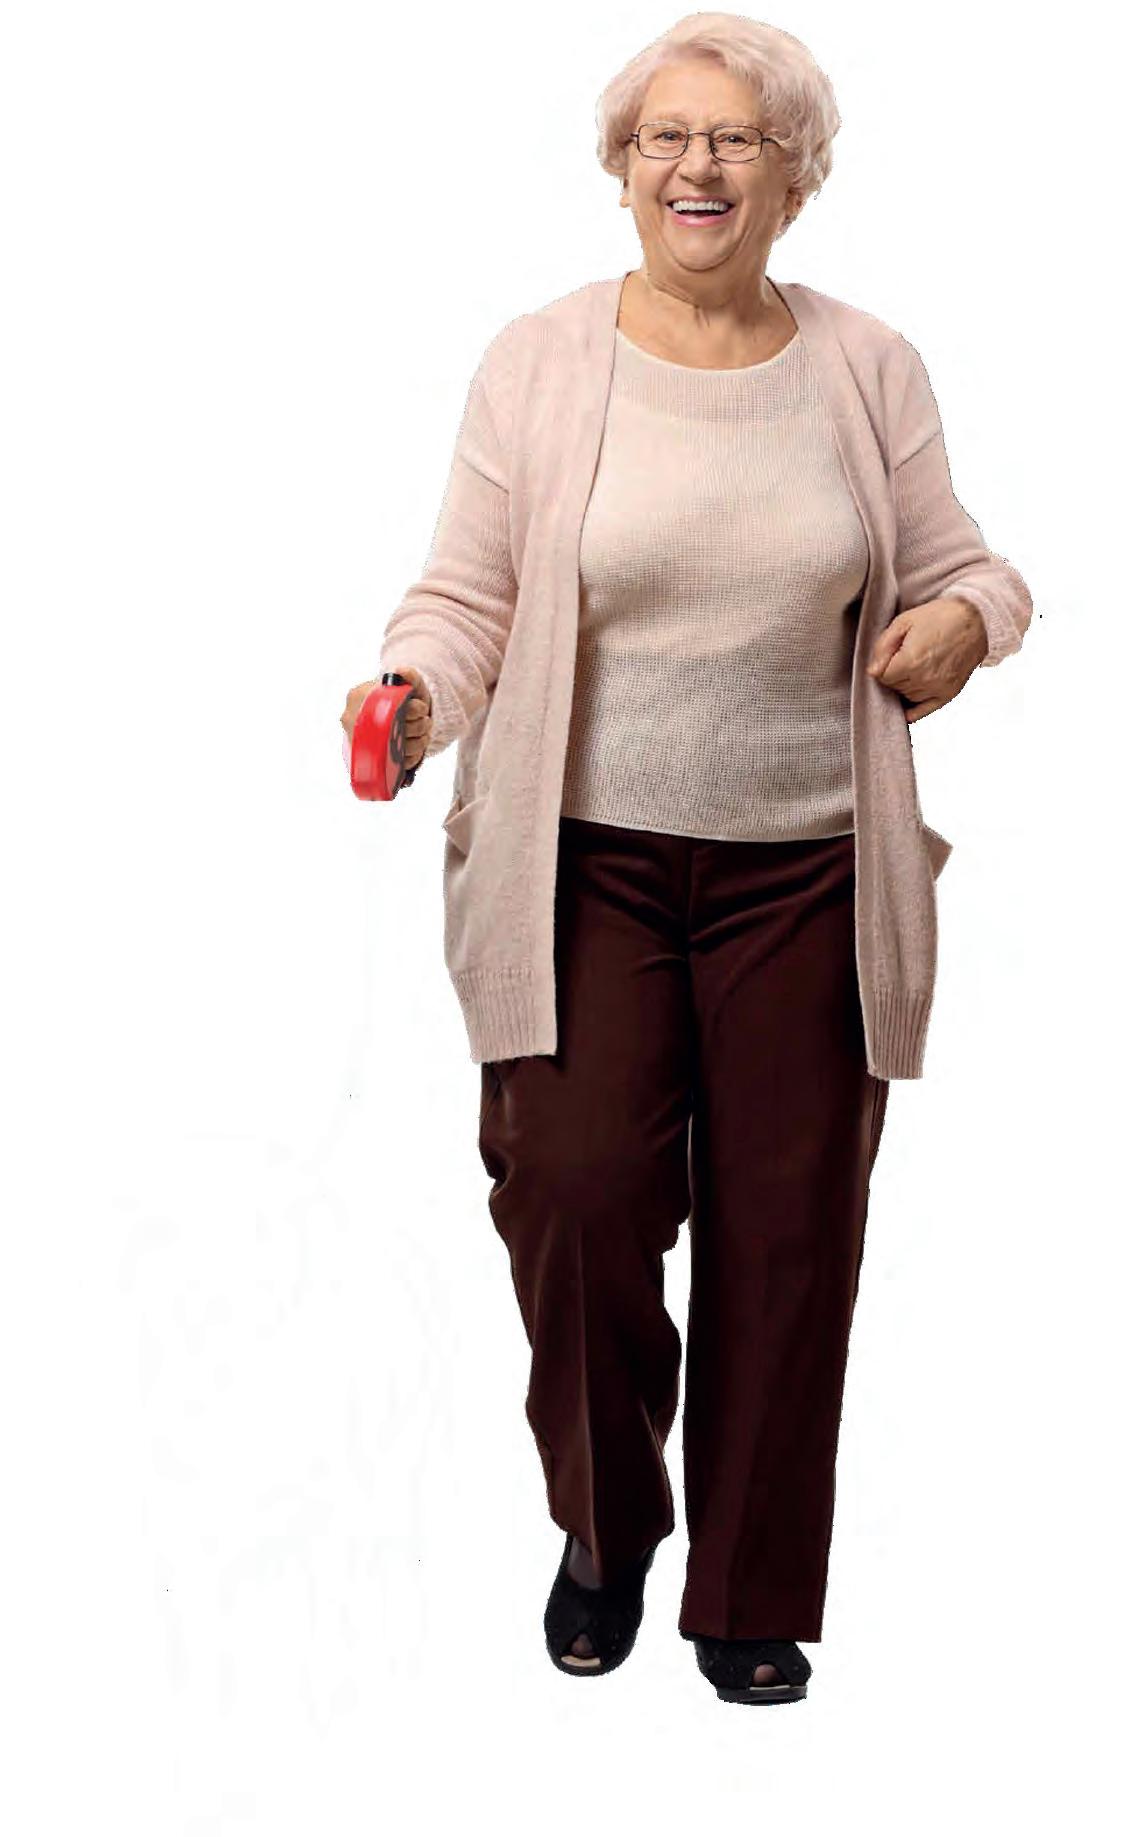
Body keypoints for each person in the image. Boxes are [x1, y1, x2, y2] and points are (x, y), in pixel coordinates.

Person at [341, 12, 1032, 1706]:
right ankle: (609, 1523)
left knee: (789, 1237)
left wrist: (961, 625)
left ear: (795, 175)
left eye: (735, 139)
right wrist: (414, 694)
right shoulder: (540, 361)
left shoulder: (868, 366)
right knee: (572, 1194)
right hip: (583, 864)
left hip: (810, 869)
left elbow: (974, 569)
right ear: (621, 169)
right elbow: (467, 595)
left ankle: (748, 1591)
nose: (696, 166)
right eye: (665, 137)